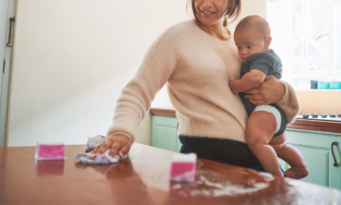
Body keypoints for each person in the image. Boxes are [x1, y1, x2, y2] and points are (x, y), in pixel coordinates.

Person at [92, 0, 300, 176]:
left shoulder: (241, 44)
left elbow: (270, 87)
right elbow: (139, 90)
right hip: (204, 163)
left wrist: (283, 92)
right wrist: (122, 132)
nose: (206, 3)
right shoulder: (176, 38)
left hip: (258, 163)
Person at [229, 15, 308, 178]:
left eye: (249, 46)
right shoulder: (267, 56)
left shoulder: (261, 58)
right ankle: (300, 167)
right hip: (274, 113)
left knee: (256, 142)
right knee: (279, 146)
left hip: (264, 110)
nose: (243, 52)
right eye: (238, 47)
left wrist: (235, 86)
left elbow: (256, 78)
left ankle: (276, 177)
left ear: (267, 42)